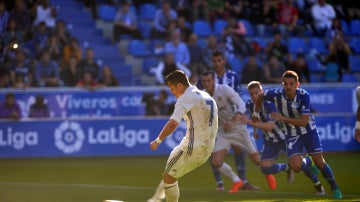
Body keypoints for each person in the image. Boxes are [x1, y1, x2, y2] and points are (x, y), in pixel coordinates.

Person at [252, 70, 343, 199]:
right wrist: (255, 114)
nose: (288, 86)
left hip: (308, 131)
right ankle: (307, 161)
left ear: (297, 84)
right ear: (282, 84)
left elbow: (303, 122)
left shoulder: (304, 96)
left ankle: (335, 187)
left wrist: (281, 118)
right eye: (285, 84)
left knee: (320, 162)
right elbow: (261, 96)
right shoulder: (276, 94)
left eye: (291, 84)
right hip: (291, 133)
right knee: (296, 167)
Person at [240, 81, 326, 194]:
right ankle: (286, 167)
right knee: (265, 168)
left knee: (300, 165)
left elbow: (270, 127)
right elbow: (254, 116)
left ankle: (317, 184)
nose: (254, 96)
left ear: (262, 92)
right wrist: (255, 130)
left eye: (257, 93)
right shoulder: (249, 104)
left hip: (285, 137)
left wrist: (250, 123)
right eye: (251, 94)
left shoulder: (270, 104)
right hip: (270, 141)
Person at [148, 70, 218, 202]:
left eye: (172, 88)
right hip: (207, 149)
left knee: (169, 176)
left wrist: (158, 140)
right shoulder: (207, 96)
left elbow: (173, 123)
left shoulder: (185, 97)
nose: (171, 91)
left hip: (192, 148)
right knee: (170, 174)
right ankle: (154, 200)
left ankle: (156, 200)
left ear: (180, 85)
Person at [200, 69, 271, 193]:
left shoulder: (224, 89)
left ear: (214, 80)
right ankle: (237, 181)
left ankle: (270, 173)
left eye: (209, 80)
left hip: (238, 128)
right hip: (223, 131)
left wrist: (232, 121)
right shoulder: (203, 96)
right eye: (204, 81)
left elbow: (242, 105)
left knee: (256, 159)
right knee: (216, 162)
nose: (207, 84)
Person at [209, 50, 258, 191]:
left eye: (219, 60)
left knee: (238, 148)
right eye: (214, 61)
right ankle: (219, 183)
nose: (217, 63)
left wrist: (237, 117)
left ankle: (243, 181)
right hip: (215, 120)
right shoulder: (208, 78)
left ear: (224, 61)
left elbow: (238, 98)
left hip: (232, 118)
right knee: (212, 151)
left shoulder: (232, 76)